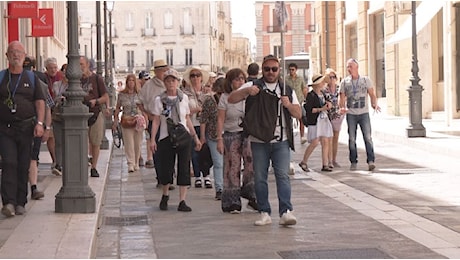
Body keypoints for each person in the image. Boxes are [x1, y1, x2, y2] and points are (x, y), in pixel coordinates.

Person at [228, 54, 301, 226]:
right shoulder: (253, 85)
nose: (270, 72)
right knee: (260, 177)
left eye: (274, 69)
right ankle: (264, 212)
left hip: (281, 140)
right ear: (262, 69)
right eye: (267, 69)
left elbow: (299, 114)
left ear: (278, 70)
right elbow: (231, 99)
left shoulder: (286, 89)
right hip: (258, 140)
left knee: (282, 176)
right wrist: (247, 91)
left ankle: (286, 212)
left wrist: (289, 105)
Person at [0, 41, 45, 217]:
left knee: (23, 164)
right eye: (12, 52)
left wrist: (40, 124)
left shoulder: (32, 78)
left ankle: (21, 202)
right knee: (9, 163)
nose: (16, 55)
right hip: (5, 129)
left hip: (26, 128)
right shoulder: (2, 78)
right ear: (7, 56)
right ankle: (9, 202)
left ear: (24, 55)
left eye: (19, 52)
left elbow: (40, 102)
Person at [150, 68, 202, 212]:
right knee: (166, 167)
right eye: (168, 80)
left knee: (184, 167)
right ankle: (165, 195)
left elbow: (186, 119)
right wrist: (152, 140)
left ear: (178, 82)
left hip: (182, 136)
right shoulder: (159, 100)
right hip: (166, 137)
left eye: (173, 80)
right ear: (164, 83)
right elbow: (155, 120)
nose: (171, 83)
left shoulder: (183, 98)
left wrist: (195, 137)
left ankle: (182, 200)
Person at [217, 68, 257, 213]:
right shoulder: (225, 97)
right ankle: (232, 201)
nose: (240, 81)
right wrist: (219, 138)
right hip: (231, 133)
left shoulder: (249, 95)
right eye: (236, 79)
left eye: (242, 79)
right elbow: (220, 119)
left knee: (251, 164)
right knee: (232, 167)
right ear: (230, 82)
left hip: (248, 134)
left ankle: (251, 194)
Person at [339, 58, 381, 171]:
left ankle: (371, 161)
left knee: (367, 137)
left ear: (357, 67)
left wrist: (374, 104)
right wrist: (342, 107)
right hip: (351, 114)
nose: (349, 69)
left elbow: (372, 94)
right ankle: (353, 161)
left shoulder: (365, 80)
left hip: (364, 113)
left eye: (351, 66)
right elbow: (342, 96)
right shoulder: (345, 82)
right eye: (347, 66)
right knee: (352, 138)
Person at [139, 59, 175, 189]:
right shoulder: (149, 86)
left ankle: (169, 178)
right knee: (158, 150)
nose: (165, 72)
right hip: (155, 121)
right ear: (158, 71)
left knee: (171, 150)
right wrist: (146, 114)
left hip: (171, 122)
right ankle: (161, 178)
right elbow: (139, 101)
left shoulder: (172, 82)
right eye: (163, 70)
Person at [23, 56, 55, 201]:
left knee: (32, 157)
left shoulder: (38, 83)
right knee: (28, 157)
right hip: (27, 125)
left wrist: (46, 128)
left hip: (35, 124)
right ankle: (27, 188)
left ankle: (33, 186)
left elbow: (47, 107)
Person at [80, 55, 109, 177]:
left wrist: (96, 101)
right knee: (82, 141)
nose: (79, 67)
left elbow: (105, 96)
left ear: (87, 65)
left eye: (81, 64)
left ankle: (94, 167)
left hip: (95, 113)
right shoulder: (75, 80)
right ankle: (83, 164)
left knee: (95, 141)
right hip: (80, 115)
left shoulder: (97, 78)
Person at [298, 74, 333, 172]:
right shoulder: (311, 95)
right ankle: (304, 161)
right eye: (322, 82)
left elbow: (328, 103)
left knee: (325, 140)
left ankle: (325, 164)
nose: (323, 83)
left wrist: (329, 105)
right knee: (315, 142)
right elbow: (310, 110)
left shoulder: (323, 93)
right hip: (315, 121)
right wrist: (322, 108)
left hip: (324, 120)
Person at [182, 66, 210, 188]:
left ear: (202, 78)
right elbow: (184, 110)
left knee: (206, 151)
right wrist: (195, 109)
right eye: (192, 76)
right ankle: (198, 176)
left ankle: (207, 175)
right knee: (194, 151)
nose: (195, 78)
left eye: (197, 75)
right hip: (192, 124)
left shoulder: (208, 93)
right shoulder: (185, 94)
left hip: (206, 125)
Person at [113, 74, 145, 173]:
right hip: (126, 119)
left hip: (137, 120)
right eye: (129, 81)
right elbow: (118, 107)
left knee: (137, 142)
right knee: (128, 143)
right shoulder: (122, 95)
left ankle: (136, 162)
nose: (131, 83)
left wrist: (145, 118)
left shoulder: (139, 94)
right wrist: (115, 120)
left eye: (132, 81)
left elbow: (143, 108)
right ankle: (130, 163)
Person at [199, 77, 224, 199]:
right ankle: (219, 188)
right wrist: (202, 137)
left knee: (228, 163)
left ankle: (227, 187)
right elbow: (203, 119)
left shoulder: (231, 99)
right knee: (218, 162)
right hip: (213, 136)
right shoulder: (210, 101)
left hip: (229, 135)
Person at [44, 57, 64, 176]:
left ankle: (58, 160)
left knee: (58, 137)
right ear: (46, 69)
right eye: (51, 68)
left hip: (57, 110)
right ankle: (55, 159)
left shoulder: (61, 77)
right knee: (51, 136)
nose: (53, 70)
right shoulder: (44, 77)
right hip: (47, 108)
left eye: (55, 67)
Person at [324, 68, 345, 168]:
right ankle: (329, 161)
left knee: (336, 138)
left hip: (338, 116)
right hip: (327, 116)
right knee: (329, 138)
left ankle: (334, 159)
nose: (332, 79)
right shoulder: (324, 89)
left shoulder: (339, 89)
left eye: (333, 77)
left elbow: (343, 100)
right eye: (329, 77)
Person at [286, 63, 307, 144]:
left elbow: (304, 88)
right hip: (290, 102)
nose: (291, 71)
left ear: (296, 70)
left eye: (293, 70)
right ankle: (289, 137)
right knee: (289, 120)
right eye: (290, 70)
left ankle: (302, 136)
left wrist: (306, 98)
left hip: (299, 101)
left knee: (301, 119)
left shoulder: (300, 78)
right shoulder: (286, 79)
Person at [137, 70, 151, 167]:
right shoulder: (138, 90)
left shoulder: (150, 90)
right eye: (145, 79)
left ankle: (149, 157)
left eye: (148, 79)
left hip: (147, 115)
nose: (147, 81)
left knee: (148, 136)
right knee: (138, 137)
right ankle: (139, 156)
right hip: (138, 114)